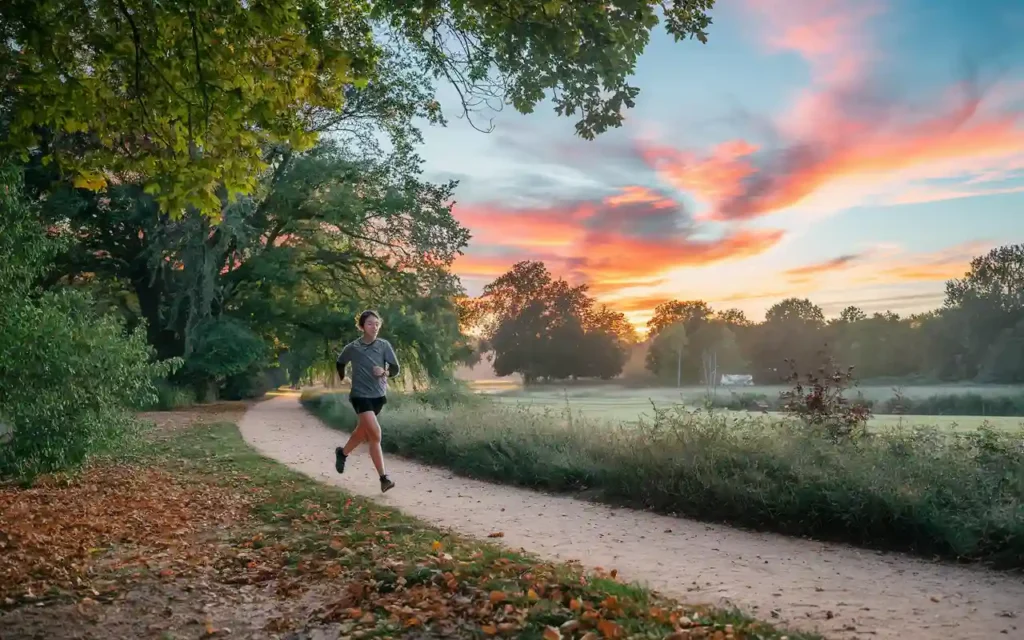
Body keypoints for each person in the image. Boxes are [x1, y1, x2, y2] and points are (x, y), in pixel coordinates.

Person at [334, 310, 400, 493]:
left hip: (378, 396)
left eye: (377, 324)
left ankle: (343, 453)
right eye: (370, 323)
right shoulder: (353, 347)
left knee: (361, 433)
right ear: (362, 326)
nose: (375, 327)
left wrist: (385, 373)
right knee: (375, 434)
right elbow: (340, 362)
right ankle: (383, 478)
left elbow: (395, 369)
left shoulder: (384, 345)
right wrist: (342, 378)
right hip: (359, 395)